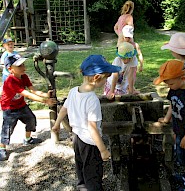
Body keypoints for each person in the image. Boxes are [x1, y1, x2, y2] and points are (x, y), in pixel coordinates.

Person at [52, 55, 120, 191]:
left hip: (77, 139)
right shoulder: (92, 100)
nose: (106, 81)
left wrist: (57, 124)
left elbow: (64, 109)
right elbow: (92, 127)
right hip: (90, 143)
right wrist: (103, 150)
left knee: (81, 167)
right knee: (93, 173)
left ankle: (82, 187)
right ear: (96, 78)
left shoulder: (73, 91)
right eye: (106, 78)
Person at [154, 59, 185, 191]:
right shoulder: (175, 89)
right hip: (180, 131)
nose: (169, 86)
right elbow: (172, 105)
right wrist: (167, 119)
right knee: (182, 158)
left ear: (182, 78)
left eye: (170, 83)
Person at [0, 54, 57, 161]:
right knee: (7, 129)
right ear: (10, 69)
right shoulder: (10, 81)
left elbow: (33, 91)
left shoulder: (24, 77)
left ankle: (28, 139)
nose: (23, 67)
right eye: (19, 66)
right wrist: (46, 101)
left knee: (31, 119)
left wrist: (46, 94)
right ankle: (2, 148)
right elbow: (28, 95)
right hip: (9, 108)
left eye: (23, 64)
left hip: (21, 105)